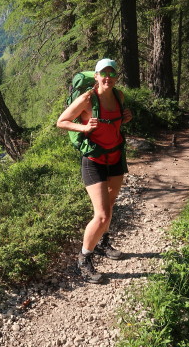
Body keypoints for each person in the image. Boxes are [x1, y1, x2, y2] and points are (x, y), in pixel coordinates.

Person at [56, 58, 133, 283]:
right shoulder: (87, 99)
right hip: (94, 160)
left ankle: (102, 243)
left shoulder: (119, 96)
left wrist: (127, 117)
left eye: (112, 73)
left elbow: (116, 123)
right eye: (103, 73)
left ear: (117, 76)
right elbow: (62, 121)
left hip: (116, 157)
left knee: (109, 206)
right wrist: (83, 126)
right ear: (96, 77)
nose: (108, 77)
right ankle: (84, 259)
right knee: (101, 215)